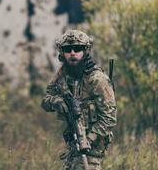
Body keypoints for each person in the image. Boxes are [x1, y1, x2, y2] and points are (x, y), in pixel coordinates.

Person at [41, 30, 117, 170]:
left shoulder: (97, 80)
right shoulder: (61, 76)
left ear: (86, 51)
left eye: (77, 48)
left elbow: (109, 118)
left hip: (92, 147)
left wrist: (88, 139)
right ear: (62, 52)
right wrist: (57, 102)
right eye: (67, 49)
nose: (72, 53)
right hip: (73, 146)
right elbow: (45, 101)